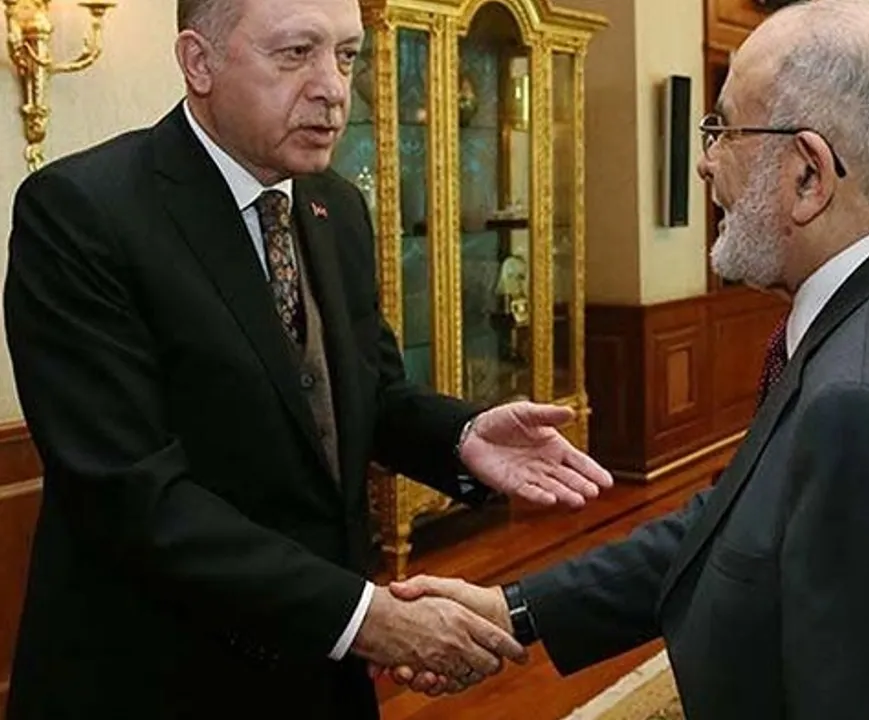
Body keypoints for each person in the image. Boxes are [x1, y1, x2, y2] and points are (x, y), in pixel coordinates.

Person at [386, 1, 869, 717]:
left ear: (809, 175)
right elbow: (739, 518)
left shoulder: (864, 405)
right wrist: (518, 609)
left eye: (722, 130)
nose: (703, 160)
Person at [2, 0, 612, 718]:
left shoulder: (336, 206)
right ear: (199, 62)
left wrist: (462, 435)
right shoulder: (80, 212)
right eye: (296, 53)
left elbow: (367, 392)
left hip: (318, 674)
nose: (333, 88)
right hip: (155, 680)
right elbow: (132, 495)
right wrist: (366, 617)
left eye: (347, 55)